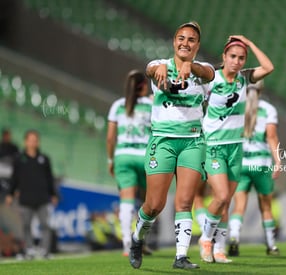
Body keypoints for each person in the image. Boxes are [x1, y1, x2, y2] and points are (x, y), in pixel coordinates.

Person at [128, 21, 215, 270]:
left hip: (192, 141)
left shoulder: (204, 69)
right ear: (173, 42)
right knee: (154, 204)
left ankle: (181, 256)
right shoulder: (160, 66)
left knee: (185, 201)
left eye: (190, 39)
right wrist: (161, 67)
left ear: (197, 45)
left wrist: (191, 65)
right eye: (181, 38)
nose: (185, 43)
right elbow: (148, 68)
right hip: (163, 141)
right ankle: (137, 238)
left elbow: (209, 74)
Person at [199, 35, 274, 264]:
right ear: (224, 57)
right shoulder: (211, 78)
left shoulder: (244, 79)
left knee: (226, 201)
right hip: (214, 146)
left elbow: (268, 67)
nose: (237, 61)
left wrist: (250, 44)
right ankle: (205, 239)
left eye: (242, 58)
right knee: (220, 196)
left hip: (236, 147)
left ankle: (219, 248)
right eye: (233, 56)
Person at [227, 80, 281, 257]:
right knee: (266, 206)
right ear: (261, 89)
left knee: (239, 206)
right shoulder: (268, 109)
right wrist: (278, 161)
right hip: (261, 164)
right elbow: (272, 137)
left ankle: (234, 237)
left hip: (241, 163)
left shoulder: (236, 106)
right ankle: (271, 245)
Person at [106, 70, 152, 256]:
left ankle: (127, 243)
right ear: (143, 86)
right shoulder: (151, 105)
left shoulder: (118, 105)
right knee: (150, 202)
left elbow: (110, 138)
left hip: (123, 156)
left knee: (126, 201)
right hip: (146, 157)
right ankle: (140, 241)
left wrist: (111, 159)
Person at [5, 129, 58, 259]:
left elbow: (49, 178)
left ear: (38, 142)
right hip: (25, 197)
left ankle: (44, 250)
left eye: (35, 140)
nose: (33, 142)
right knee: (25, 225)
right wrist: (10, 194)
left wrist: (53, 194)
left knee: (45, 225)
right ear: (26, 142)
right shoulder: (19, 159)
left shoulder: (44, 159)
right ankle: (29, 249)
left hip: (42, 198)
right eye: (30, 140)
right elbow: (14, 178)